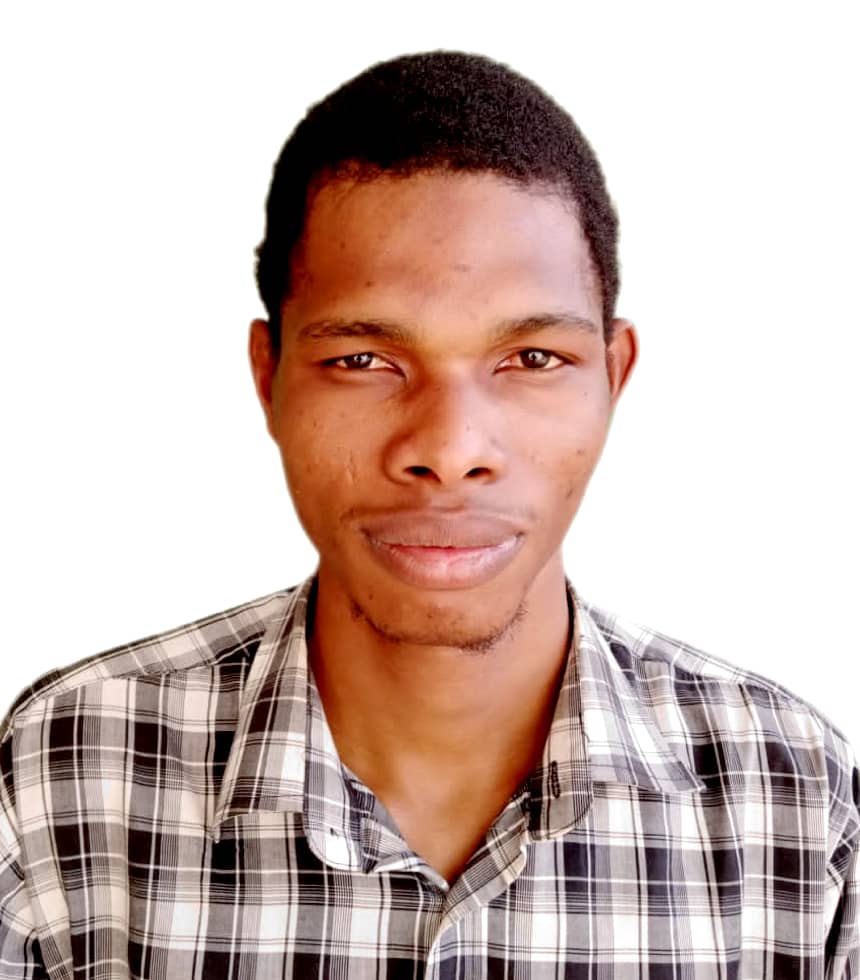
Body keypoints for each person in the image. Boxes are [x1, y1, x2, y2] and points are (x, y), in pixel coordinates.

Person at [0, 49, 856, 979]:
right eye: (362, 361)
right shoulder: (61, 776)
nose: (449, 449)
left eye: (532, 359)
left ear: (613, 378)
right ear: (268, 377)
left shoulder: (797, 805)